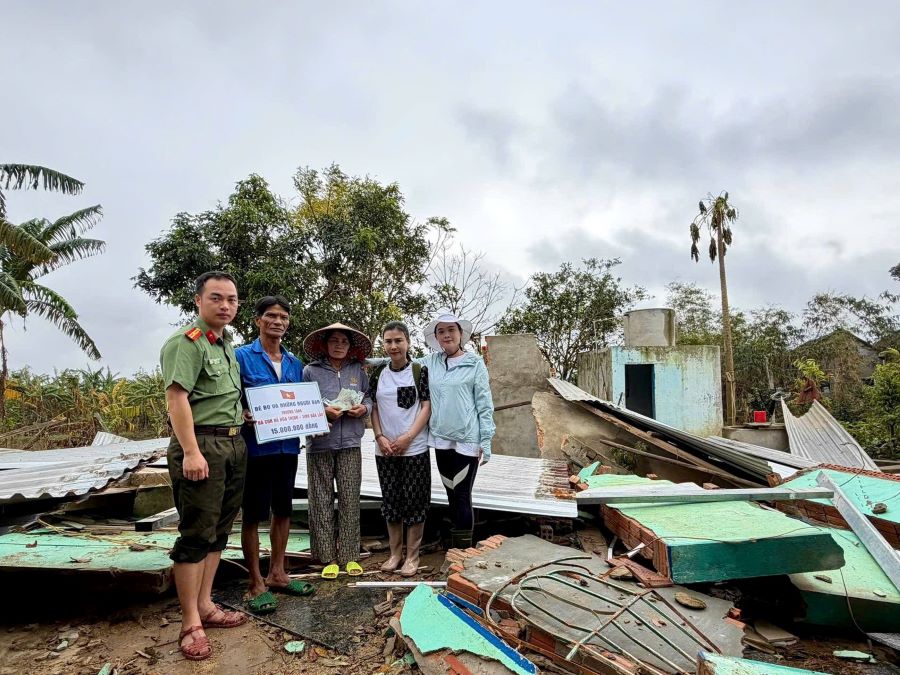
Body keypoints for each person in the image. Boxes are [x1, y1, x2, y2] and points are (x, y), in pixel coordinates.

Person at [159, 271, 248, 662]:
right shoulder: (186, 343)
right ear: (198, 301)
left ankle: (207, 604)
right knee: (195, 533)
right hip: (203, 446)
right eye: (216, 298)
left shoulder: (226, 344)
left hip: (232, 442)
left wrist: (245, 416)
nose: (225, 305)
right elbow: (177, 399)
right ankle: (190, 622)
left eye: (231, 299)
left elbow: (220, 396)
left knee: (218, 532)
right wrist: (191, 452)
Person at [235, 296, 313, 615]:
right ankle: (256, 582)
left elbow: (302, 403)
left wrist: (315, 417)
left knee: (282, 510)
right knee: (253, 514)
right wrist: (241, 412)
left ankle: (278, 573)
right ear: (258, 321)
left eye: (283, 317)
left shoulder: (295, 363)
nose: (278, 321)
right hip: (256, 449)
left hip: (287, 447)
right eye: (271, 316)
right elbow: (231, 396)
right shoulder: (241, 357)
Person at [302, 322, 372, 579]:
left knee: (350, 498)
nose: (339, 345)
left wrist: (363, 409)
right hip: (320, 444)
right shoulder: (310, 371)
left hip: (351, 442)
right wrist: (322, 412)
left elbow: (367, 398)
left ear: (350, 346)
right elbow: (302, 404)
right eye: (334, 340)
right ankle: (327, 557)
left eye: (344, 341)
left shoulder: (358, 370)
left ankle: (350, 556)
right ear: (324, 344)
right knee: (320, 500)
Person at [419, 312, 495, 550]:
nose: (446, 335)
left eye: (451, 329)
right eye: (441, 331)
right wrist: (365, 362)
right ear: (437, 337)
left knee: (462, 494)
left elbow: (484, 403)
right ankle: (454, 548)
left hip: (467, 440)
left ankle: (463, 552)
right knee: (450, 492)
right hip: (441, 438)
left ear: (460, 334)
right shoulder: (430, 362)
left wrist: (486, 439)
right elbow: (399, 361)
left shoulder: (475, 364)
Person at [369, 321, 432, 576]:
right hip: (385, 450)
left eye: (398, 340)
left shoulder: (419, 370)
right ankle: (395, 554)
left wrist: (408, 437)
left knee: (415, 501)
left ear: (407, 342)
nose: (393, 346)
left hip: (414, 448)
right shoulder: (378, 374)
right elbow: (373, 408)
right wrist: (380, 437)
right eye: (388, 341)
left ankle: (412, 557)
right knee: (391, 500)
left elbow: (426, 406)